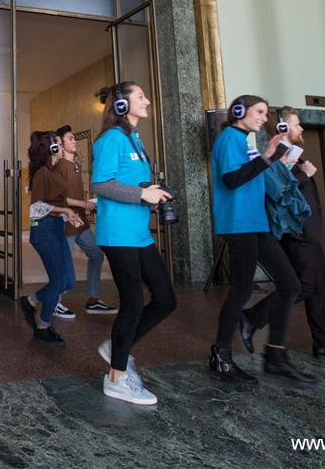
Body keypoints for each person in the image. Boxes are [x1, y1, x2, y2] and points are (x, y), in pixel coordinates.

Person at [239, 107, 325, 362]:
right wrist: (304, 175)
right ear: (282, 128)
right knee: (303, 286)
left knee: (319, 290)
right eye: (297, 124)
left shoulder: (292, 155)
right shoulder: (275, 157)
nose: (302, 129)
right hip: (296, 235)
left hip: (309, 232)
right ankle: (252, 317)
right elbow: (277, 193)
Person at [209, 95, 314, 384]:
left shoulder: (245, 142)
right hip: (239, 223)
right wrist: (268, 155)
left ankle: (272, 350)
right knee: (241, 290)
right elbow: (232, 179)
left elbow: (255, 176)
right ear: (239, 111)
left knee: (290, 284)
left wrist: (276, 159)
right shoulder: (230, 137)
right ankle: (221, 357)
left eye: (266, 113)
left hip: (256, 222)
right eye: (259, 112)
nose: (263, 118)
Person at [90, 82, 177, 405]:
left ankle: (117, 347)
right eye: (141, 96)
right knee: (131, 302)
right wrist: (142, 194)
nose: (148, 100)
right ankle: (116, 378)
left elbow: (127, 181)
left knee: (166, 299)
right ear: (122, 105)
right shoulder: (111, 139)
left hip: (139, 233)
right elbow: (100, 183)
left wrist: (151, 190)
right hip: (118, 234)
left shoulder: (134, 139)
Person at [20, 131, 84, 346]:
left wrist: (69, 212)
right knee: (58, 281)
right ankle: (43, 326)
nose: (61, 146)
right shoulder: (42, 173)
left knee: (69, 281)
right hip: (44, 231)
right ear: (51, 148)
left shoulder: (55, 171)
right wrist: (64, 211)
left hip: (56, 228)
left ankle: (30, 301)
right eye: (57, 143)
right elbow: (36, 207)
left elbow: (57, 198)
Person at [54, 125, 117, 316]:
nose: (74, 141)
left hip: (80, 222)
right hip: (67, 222)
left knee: (96, 255)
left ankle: (93, 299)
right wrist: (83, 203)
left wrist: (87, 204)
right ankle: (54, 300)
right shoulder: (59, 167)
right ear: (61, 144)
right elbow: (58, 198)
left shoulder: (77, 165)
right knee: (62, 263)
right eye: (70, 139)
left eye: (74, 138)